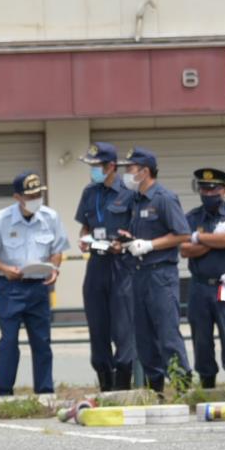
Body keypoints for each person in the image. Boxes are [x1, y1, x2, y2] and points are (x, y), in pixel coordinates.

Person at [0, 170, 68, 402]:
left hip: (39, 286)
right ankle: (4, 392)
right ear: (17, 197)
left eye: (38, 194)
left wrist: (54, 268)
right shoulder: (1, 220)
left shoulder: (50, 217)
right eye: (30, 196)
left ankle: (45, 391)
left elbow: (57, 250)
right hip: (11, 287)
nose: (35, 199)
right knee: (8, 340)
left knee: (42, 340)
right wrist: (6, 269)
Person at [117, 148, 191, 397]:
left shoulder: (164, 198)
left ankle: (182, 388)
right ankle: (155, 389)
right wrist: (128, 242)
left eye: (130, 169)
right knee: (144, 336)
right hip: (139, 274)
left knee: (168, 333)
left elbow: (182, 234)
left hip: (161, 275)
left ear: (144, 171)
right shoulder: (136, 200)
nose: (126, 174)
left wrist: (150, 245)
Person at [74, 142, 137, 389]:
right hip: (97, 263)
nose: (93, 171)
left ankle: (123, 385)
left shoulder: (129, 192)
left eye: (96, 166)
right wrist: (84, 239)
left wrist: (124, 243)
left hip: (121, 264)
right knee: (97, 325)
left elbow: (137, 229)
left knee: (123, 327)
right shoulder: (90, 192)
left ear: (111, 167)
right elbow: (85, 226)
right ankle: (105, 383)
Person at [180, 168, 225, 391]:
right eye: (204, 188)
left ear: (224, 190)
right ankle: (207, 388)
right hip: (200, 286)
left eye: (214, 188)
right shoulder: (192, 217)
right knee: (201, 340)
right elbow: (185, 249)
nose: (208, 193)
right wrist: (214, 241)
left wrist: (199, 238)